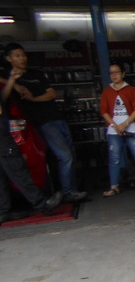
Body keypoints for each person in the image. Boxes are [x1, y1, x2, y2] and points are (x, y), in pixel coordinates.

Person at [0, 43, 87, 203]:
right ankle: (68, 191)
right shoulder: (7, 75)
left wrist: (33, 98)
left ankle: (71, 190)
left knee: (70, 155)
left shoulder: (36, 73)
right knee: (65, 156)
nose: (23, 58)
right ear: (9, 58)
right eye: (18, 55)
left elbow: (52, 94)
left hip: (57, 117)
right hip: (41, 122)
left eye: (23, 55)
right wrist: (15, 83)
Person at [0, 77, 62, 225]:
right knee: (18, 170)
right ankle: (42, 204)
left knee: (1, 175)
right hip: (2, 138)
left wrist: (12, 80)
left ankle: (2, 211)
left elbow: (2, 97)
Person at [99, 63, 135, 196]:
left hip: (132, 128)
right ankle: (114, 186)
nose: (114, 75)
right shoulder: (107, 92)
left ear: (123, 74)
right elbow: (103, 111)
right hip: (114, 129)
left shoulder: (130, 90)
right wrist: (115, 125)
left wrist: (125, 124)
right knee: (114, 158)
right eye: (111, 72)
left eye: (117, 72)